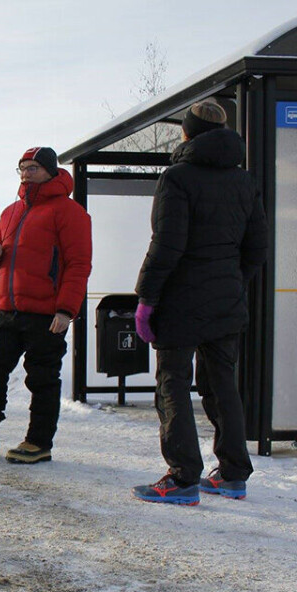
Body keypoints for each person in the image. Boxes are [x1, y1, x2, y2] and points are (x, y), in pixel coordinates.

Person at [132, 99, 267, 506]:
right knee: (222, 382)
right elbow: (256, 248)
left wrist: (146, 298)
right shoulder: (244, 180)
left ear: (187, 133)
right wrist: (230, 282)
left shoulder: (178, 178)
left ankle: (183, 477)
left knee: (172, 382)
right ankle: (232, 474)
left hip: (180, 300)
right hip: (226, 301)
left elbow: (167, 245)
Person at [0, 147, 92, 464]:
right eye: (22, 167)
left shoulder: (70, 212)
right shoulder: (11, 211)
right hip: (8, 310)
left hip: (47, 314)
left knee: (42, 379)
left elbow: (79, 264)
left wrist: (66, 310)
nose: (26, 172)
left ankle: (38, 443)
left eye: (34, 167)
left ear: (51, 171)